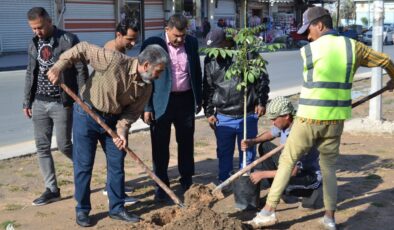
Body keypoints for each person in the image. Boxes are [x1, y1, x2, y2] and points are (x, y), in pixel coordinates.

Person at [246, 7, 394, 230]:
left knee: (287, 161)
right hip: (335, 120)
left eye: (309, 30)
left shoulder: (308, 51)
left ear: (320, 25)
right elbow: (384, 60)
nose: (307, 36)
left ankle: (268, 212)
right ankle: (329, 218)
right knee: (329, 168)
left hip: (308, 118)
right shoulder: (354, 47)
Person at [47, 42, 169, 227]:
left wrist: (121, 131)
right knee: (84, 164)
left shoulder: (146, 87)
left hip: (113, 122)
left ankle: (117, 208)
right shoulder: (113, 60)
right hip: (87, 114)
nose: (159, 76)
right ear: (146, 66)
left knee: (116, 164)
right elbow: (82, 49)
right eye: (158, 71)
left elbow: (131, 113)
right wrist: (58, 66)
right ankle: (82, 210)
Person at [23, 7, 88, 206]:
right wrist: (27, 100)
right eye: (33, 28)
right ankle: (52, 189)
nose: (37, 32)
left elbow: (81, 70)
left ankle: (85, 168)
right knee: (42, 147)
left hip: (63, 102)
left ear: (50, 21)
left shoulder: (68, 39)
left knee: (64, 145)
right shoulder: (34, 42)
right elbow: (30, 72)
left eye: (40, 27)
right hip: (40, 102)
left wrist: (82, 98)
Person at [140, 14, 202, 201]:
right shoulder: (153, 43)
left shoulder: (191, 43)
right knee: (160, 145)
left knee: (186, 142)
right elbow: (144, 77)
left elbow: (196, 71)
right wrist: (147, 106)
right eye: (176, 35)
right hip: (161, 102)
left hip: (184, 100)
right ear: (167, 29)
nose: (180, 39)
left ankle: (187, 179)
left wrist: (197, 98)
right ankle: (162, 184)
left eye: (183, 35)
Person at [202, 29, 269, 183]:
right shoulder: (210, 60)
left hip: (247, 113)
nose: (215, 53)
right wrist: (209, 112)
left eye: (218, 48)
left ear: (227, 42)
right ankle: (225, 181)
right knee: (224, 152)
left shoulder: (247, 54)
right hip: (223, 116)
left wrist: (261, 101)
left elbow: (262, 80)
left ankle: (245, 183)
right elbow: (208, 88)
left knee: (247, 152)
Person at [241, 97, 322, 209]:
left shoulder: (298, 135)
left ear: (286, 116)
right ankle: (280, 191)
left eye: (274, 119)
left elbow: (293, 171)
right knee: (265, 146)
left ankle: (311, 193)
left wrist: (262, 174)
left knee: (285, 184)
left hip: (306, 175)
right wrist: (252, 141)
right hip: (289, 164)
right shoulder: (286, 124)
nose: (272, 122)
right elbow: (271, 133)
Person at [102, 17, 140, 205]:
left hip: (118, 112)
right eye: (129, 39)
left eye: (135, 39)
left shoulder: (122, 49)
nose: (133, 43)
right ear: (119, 35)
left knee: (117, 154)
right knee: (116, 153)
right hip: (109, 113)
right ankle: (114, 193)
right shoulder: (112, 53)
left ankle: (114, 187)